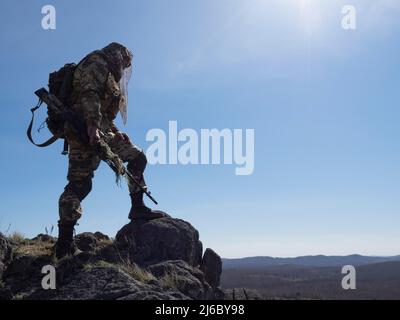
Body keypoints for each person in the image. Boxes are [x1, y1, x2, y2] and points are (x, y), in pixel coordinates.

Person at [55, 42, 165, 258]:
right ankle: (64, 244)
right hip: (83, 130)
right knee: (80, 186)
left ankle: (137, 208)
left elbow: (103, 109)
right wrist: (92, 128)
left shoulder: (106, 69)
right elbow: (89, 95)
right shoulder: (96, 62)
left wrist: (115, 131)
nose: (125, 69)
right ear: (118, 55)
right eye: (125, 63)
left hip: (97, 128)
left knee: (137, 158)